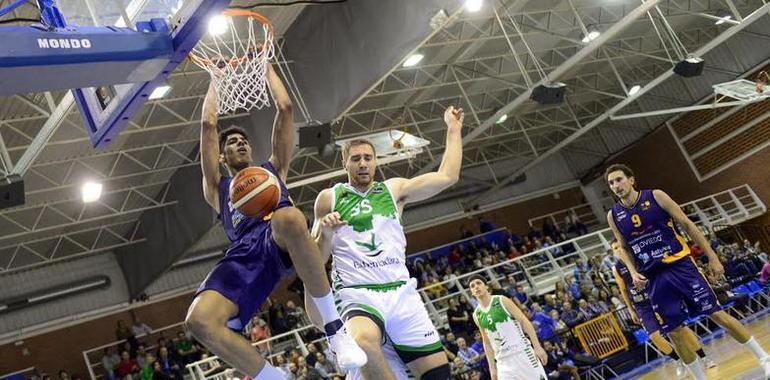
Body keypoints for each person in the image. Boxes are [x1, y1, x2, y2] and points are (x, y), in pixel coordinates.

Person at [184, 65, 366, 379]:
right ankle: (272, 376)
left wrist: (265, 66)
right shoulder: (217, 188)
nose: (239, 143)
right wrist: (215, 79)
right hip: (242, 255)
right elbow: (207, 125)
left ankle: (336, 331)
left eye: (243, 140)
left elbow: (285, 108)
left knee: (289, 216)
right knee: (198, 321)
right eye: (232, 143)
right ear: (223, 158)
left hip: (279, 238)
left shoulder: (272, 171)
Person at [308, 106, 464, 380]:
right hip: (357, 292)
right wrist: (327, 234)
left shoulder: (394, 190)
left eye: (368, 158)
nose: (363, 163)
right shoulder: (328, 198)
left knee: (439, 374)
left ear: (376, 161)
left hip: (400, 291)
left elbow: (447, 177)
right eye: (355, 158)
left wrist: (453, 129)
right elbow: (314, 262)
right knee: (362, 342)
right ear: (345, 163)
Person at [605, 164, 770, 379]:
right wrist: (632, 272)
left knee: (717, 314)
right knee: (675, 332)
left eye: (619, 180)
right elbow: (624, 248)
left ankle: (764, 358)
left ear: (631, 180)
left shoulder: (656, 196)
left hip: (681, 266)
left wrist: (712, 257)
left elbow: (687, 225)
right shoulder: (614, 215)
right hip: (654, 277)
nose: (616, 185)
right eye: (611, 183)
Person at [611, 240, 715, 378]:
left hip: (656, 296)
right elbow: (623, 290)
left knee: (680, 329)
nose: (618, 250)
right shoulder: (617, 268)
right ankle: (679, 360)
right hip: (641, 305)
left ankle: (703, 358)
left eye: (619, 246)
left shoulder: (638, 257)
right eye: (614, 248)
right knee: (654, 336)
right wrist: (630, 309)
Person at [468, 275, 548, 380]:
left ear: (486, 287)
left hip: (522, 352)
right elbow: (487, 342)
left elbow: (525, 322)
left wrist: (537, 347)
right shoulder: (476, 314)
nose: (476, 287)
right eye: (472, 286)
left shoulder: (502, 300)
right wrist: (493, 369)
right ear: (472, 293)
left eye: (478, 283)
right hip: (503, 362)